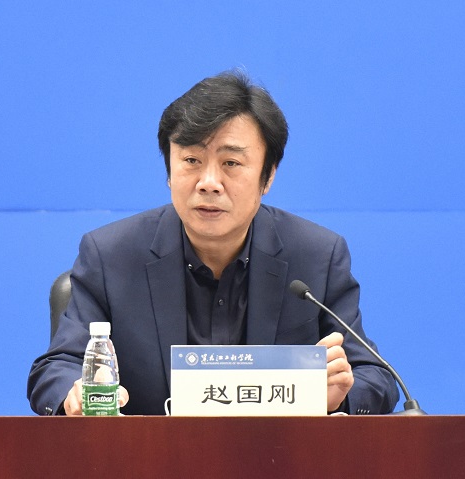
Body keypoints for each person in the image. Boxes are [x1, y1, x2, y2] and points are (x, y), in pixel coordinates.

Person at [27, 71, 399, 416]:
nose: (208, 182)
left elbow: (375, 376)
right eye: (191, 159)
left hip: (275, 454)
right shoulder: (110, 256)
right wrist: (73, 395)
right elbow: (57, 367)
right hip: (150, 455)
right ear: (169, 172)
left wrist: (337, 398)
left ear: (268, 176)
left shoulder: (316, 257)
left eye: (231, 163)